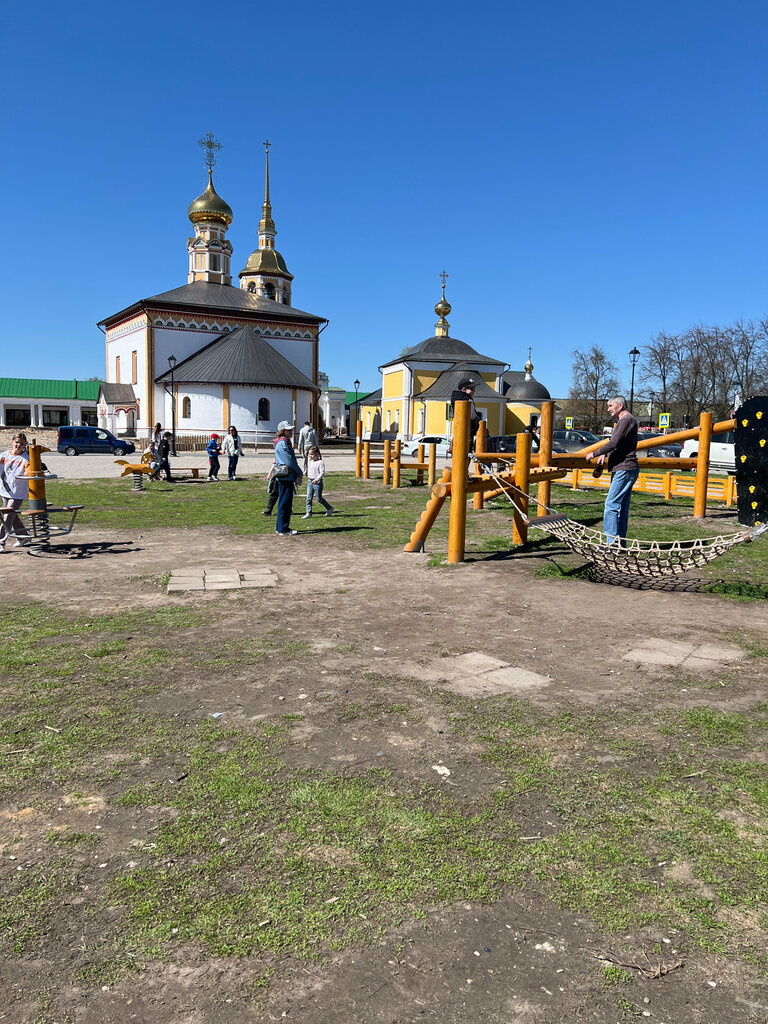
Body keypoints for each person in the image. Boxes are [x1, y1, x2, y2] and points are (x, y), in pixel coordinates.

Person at [586, 395, 639, 546]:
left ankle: (612, 544)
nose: (608, 409)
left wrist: (594, 453)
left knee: (611, 506)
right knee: (621, 508)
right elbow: (619, 443)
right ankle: (619, 544)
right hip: (627, 468)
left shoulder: (625, 420)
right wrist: (605, 453)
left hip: (624, 468)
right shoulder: (627, 420)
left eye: (610, 406)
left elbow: (614, 442)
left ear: (620, 405)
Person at [0, 432, 30, 550]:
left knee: (7, 517)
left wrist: (28, 472)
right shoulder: (4, 455)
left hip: (17, 492)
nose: (18, 445)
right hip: (5, 490)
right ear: (12, 442)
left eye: (21, 444)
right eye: (17, 442)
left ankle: (1, 542)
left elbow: (29, 470)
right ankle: (23, 536)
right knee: (12, 516)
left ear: (25, 445)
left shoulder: (26, 458)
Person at [273, 420, 302, 536]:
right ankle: (283, 528)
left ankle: (280, 527)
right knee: (285, 503)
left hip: (285, 476)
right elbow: (289, 461)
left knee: (284, 502)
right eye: (288, 430)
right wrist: (299, 471)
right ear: (282, 431)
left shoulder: (283, 442)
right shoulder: (283, 443)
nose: (291, 432)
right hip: (286, 476)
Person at [301, 446, 335, 519]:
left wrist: (316, 480)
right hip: (310, 481)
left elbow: (322, 473)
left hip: (317, 483)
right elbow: (307, 456)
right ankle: (308, 512)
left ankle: (329, 508)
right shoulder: (310, 461)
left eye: (312, 454)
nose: (310, 456)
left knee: (319, 498)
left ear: (317, 454)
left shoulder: (320, 463)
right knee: (308, 498)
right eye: (309, 454)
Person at [449, 377, 481, 449]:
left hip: (458, 430)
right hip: (468, 431)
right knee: (467, 452)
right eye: (472, 389)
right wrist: (479, 423)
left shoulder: (456, 398)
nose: (474, 391)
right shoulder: (468, 399)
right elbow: (472, 416)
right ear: (463, 389)